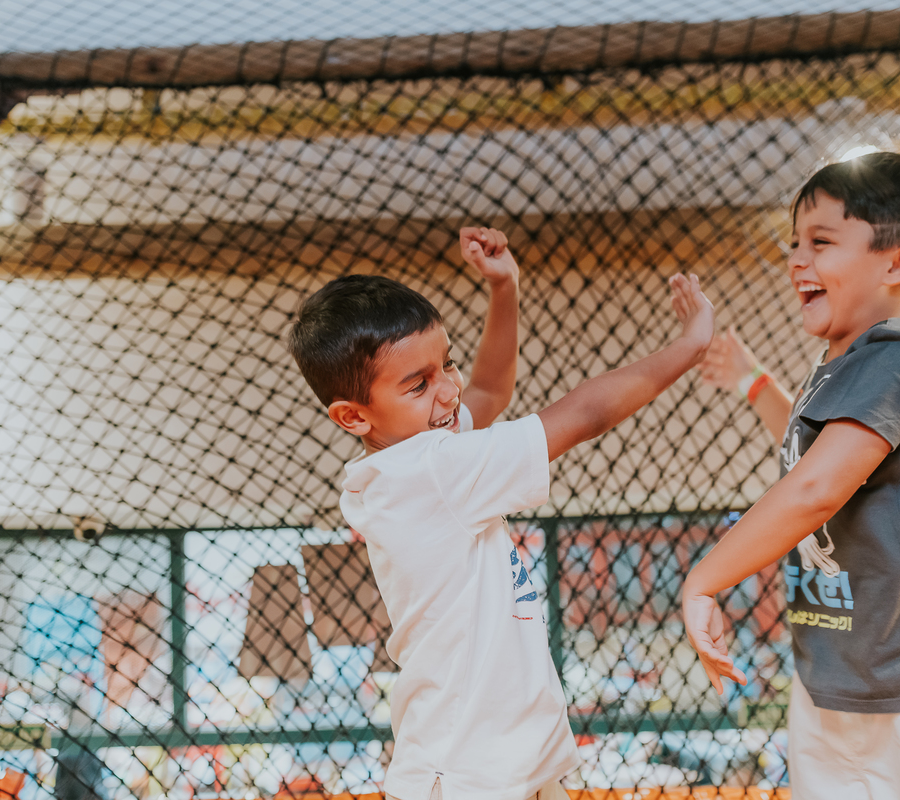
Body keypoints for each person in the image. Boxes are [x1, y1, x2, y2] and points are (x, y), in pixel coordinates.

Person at [289, 226, 714, 800]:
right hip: (470, 774)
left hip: (508, 768)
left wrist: (504, 287)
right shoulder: (429, 473)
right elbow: (585, 414)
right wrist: (689, 345)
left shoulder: (412, 462)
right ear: (354, 416)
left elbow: (489, 390)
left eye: (447, 363)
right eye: (418, 384)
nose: (448, 391)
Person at [685, 150, 900, 798]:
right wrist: (750, 380)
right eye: (794, 243)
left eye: (820, 242)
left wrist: (703, 581)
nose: (797, 259)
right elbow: (810, 455)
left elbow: (815, 488)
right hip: (832, 677)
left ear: (899, 261)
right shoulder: (840, 368)